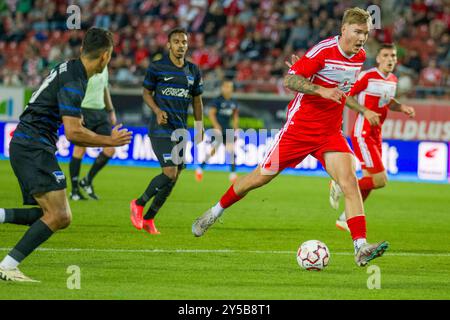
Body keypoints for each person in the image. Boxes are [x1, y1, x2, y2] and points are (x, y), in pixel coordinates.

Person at [192, 7, 389, 267]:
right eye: (358, 31)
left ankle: (360, 247)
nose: (363, 37)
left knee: (350, 182)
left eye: (366, 32)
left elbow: (329, 83)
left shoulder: (359, 56)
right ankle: (214, 211)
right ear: (344, 30)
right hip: (299, 130)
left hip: (329, 132)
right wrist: (316, 86)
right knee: (259, 178)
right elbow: (290, 80)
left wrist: (309, 75)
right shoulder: (323, 51)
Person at [0, 28, 132, 282]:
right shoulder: (76, 80)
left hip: (28, 144)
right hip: (33, 146)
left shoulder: (68, 67)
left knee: (48, 213)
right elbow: (72, 133)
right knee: (60, 216)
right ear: (105, 57)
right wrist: (109, 140)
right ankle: (7, 265)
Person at [330, 43, 416, 231]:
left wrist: (402, 108)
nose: (390, 59)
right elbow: (346, 96)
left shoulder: (393, 79)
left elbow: (388, 101)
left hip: (376, 134)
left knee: (370, 180)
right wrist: (365, 111)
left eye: (393, 56)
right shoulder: (367, 76)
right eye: (385, 55)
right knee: (380, 180)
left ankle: (345, 218)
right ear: (378, 59)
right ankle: (339, 184)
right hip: (363, 133)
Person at [130, 28, 204, 235]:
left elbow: (197, 100)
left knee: (175, 176)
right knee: (169, 171)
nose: (181, 45)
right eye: (177, 41)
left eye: (184, 42)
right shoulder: (157, 67)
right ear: (169, 45)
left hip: (181, 131)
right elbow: (146, 93)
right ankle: (138, 203)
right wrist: (156, 110)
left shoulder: (193, 71)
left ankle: (149, 219)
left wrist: (199, 126)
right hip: (161, 128)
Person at [69, 66, 117, 201]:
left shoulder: (105, 66)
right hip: (84, 111)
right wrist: (77, 112)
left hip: (100, 113)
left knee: (110, 149)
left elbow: (105, 88)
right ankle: (74, 190)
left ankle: (87, 180)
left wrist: (111, 110)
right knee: (79, 149)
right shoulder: (84, 65)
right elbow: (75, 91)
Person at [195, 79, 239, 183]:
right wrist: (216, 126)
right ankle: (200, 168)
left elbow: (235, 115)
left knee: (231, 151)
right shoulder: (218, 100)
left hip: (228, 129)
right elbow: (211, 113)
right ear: (222, 88)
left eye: (229, 87)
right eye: (225, 86)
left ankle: (233, 174)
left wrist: (236, 127)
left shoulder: (233, 102)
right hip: (218, 130)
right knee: (213, 150)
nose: (227, 89)